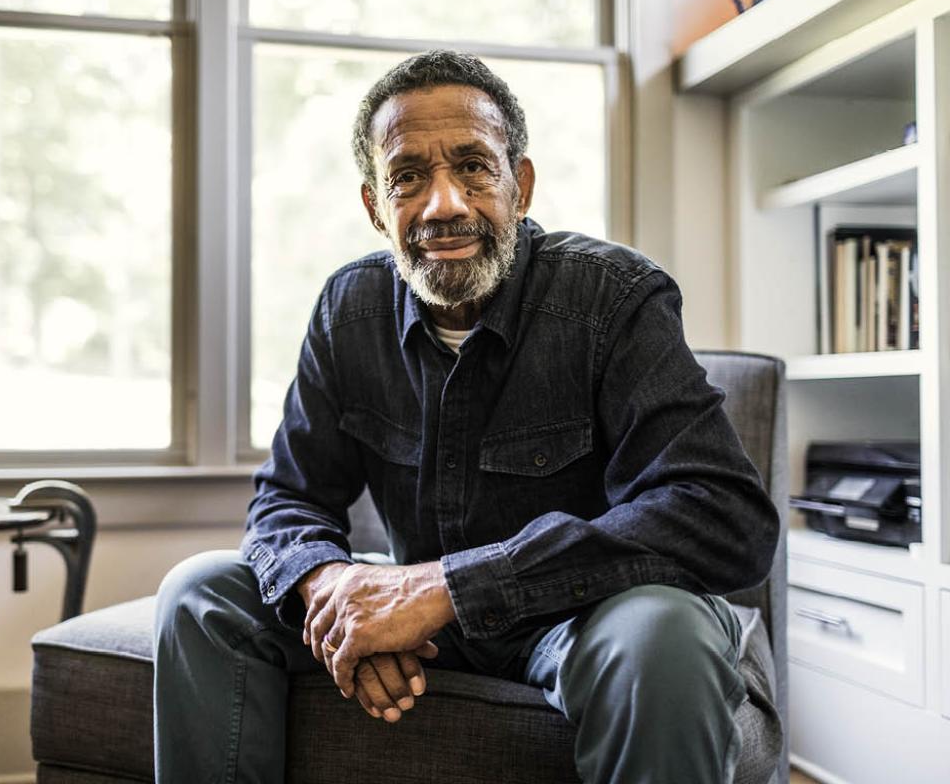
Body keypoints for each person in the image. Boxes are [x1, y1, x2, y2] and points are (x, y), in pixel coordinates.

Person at [153, 49, 779, 784]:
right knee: (200, 593)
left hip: (582, 619)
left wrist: (444, 589)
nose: (443, 204)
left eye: (474, 167)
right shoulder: (347, 310)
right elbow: (288, 498)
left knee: (665, 632)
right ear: (374, 207)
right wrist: (336, 593)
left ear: (521, 184)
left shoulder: (615, 298)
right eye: (407, 177)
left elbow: (723, 517)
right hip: (420, 624)